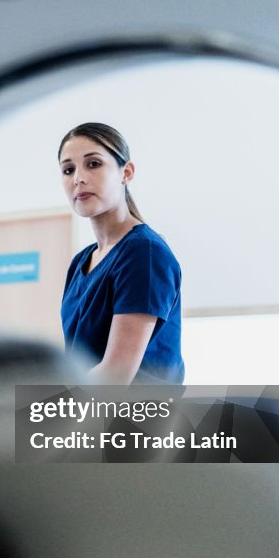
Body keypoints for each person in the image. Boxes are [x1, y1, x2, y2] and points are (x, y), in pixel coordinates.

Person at [58, 122, 184, 384]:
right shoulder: (81, 262)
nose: (78, 178)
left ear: (126, 172)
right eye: (68, 170)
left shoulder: (143, 253)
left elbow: (115, 375)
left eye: (93, 164)